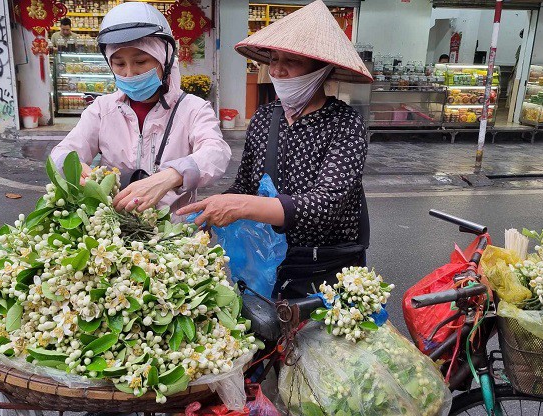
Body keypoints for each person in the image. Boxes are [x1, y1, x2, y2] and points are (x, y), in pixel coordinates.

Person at [177, 0, 372, 298]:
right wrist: (212, 208)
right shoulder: (266, 117)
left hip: (326, 264)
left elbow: (326, 205)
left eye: (292, 62)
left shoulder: (345, 124)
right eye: (274, 59)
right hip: (268, 259)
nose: (278, 71)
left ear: (322, 70)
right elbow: (246, 184)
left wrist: (241, 207)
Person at [50, 3, 231, 213]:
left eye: (141, 61)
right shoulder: (102, 109)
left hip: (174, 232)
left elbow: (216, 153)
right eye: (119, 64)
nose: (129, 73)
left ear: (165, 58)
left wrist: (172, 176)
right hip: (113, 229)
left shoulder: (193, 109)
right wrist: (73, 167)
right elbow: (63, 152)